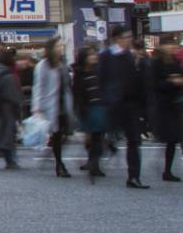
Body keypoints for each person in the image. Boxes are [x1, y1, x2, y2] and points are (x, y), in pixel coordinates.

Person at [99, 27, 148, 189]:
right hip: (113, 104)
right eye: (126, 37)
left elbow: (136, 80)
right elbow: (101, 80)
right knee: (108, 135)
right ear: (117, 39)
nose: (129, 40)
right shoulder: (106, 56)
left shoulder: (130, 56)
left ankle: (134, 177)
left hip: (131, 104)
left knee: (134, 140)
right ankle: (103, 149)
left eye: (130, 37)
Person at [31, 37, 77, 177]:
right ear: (51, 49)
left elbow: (67, 85)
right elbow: (38, 87)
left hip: (64, 104)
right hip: (51, 105)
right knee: (57, 135)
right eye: (58, 46)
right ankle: (59, 164)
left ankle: (54, 155)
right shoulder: (43, 66)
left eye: (61, 46)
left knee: (66, 134)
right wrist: (37, 107)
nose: (61, 48)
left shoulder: (62, 64)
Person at [148, 38, 183, 182]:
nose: (173, 48)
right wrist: (170, 81)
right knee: (169, 138)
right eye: (170, 45)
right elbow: (153, 84)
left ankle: (167, 169)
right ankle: (165, 168)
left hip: (175, 104)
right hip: (162, 105)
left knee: (173, 140)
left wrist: (180, 81)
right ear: (163, 46)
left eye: (174, 45)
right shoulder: (156, 62)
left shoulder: (176, 61)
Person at [71, 47, 108, 181]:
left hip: (100, 106)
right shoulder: (79, 73)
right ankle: (93, 163)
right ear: (84, 58)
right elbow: (77, 93)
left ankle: (94, 164)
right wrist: (79, 109)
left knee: (98, 138)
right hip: (88, 108)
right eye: (90, 55)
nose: (94, 56)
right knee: (93, 138)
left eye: (94, 54)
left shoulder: (99, 70)